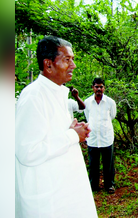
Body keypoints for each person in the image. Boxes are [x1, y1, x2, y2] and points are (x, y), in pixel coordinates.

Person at [15, 36, 97, 218]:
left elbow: (51, 135)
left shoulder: (58, 93)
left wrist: (74, 130)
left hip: (65, 192)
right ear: (48, 64)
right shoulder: (34, 96)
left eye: (73, 59)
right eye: (67, 60)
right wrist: (72, 136)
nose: (73, 65)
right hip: (48, 202)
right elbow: (27, 151)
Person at [84, 77, 117, 194]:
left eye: (101, 87)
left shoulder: (110, 102)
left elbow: (112, 116)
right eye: (96, 87)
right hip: (93, 137)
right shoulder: (87, 102)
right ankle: (93, 185)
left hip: (106, 136)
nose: (99, 89)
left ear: (104, 88)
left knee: (108, 163)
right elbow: (87, 116)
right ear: (93, 88)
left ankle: (109, 185)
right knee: (93, 163)